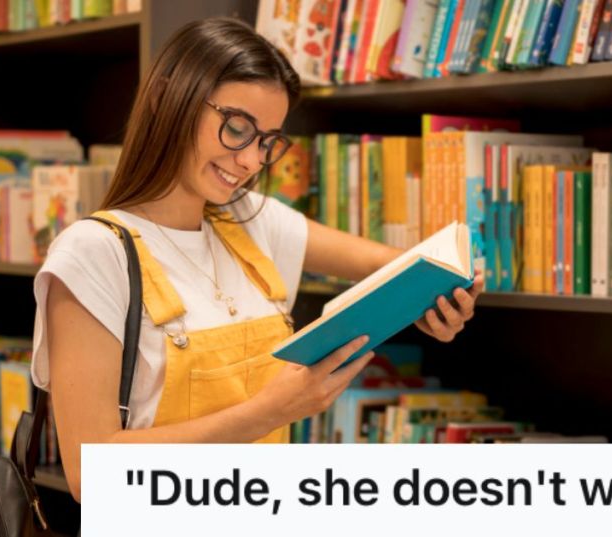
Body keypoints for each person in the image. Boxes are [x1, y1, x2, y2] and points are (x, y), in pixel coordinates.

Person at [31, 17, 482, 503]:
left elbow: (398, 265)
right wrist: (266, 413)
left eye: (267, 141)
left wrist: (437, 296)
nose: (250, 161)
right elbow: (89, 475)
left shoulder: (251, 220)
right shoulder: (94, 253)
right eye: (237, 128)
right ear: (166, 98)